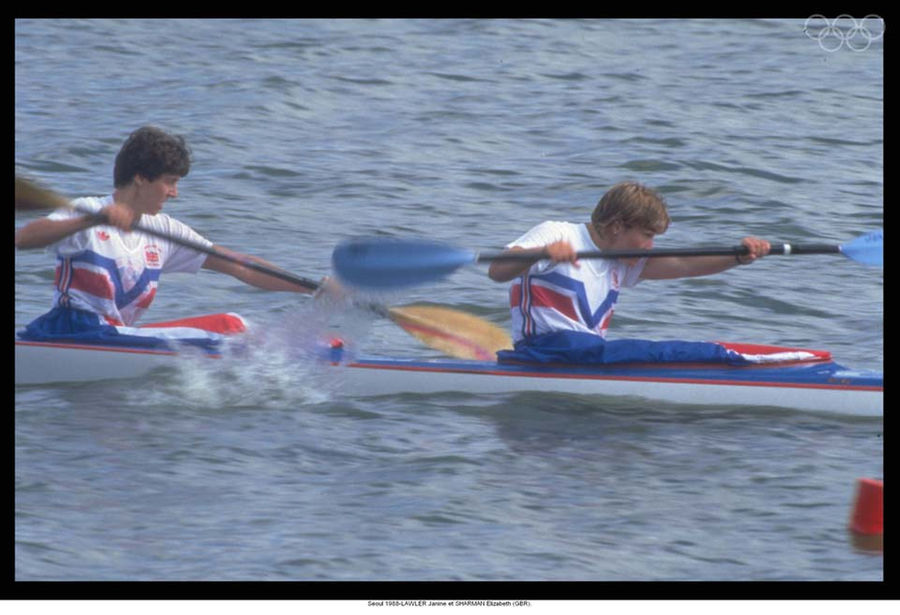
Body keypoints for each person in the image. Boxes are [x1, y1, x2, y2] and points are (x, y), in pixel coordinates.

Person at [16, 126, 315, 350]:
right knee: (231, 326)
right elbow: (24, 238)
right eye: (169, 182)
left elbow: (241, 265)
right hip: (72, 333)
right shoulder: (90, 210)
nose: (175, 193)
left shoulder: (164, 231)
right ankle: (293, 357)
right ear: (140, 178)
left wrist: (312, 289)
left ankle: (298, 350)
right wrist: (90, 221)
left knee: (236, 328)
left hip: (114, 337)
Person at [488, 181, 772, 364]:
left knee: (666, 353)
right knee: (659, 354)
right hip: (544, 352)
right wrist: (541, 252)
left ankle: (725, 359)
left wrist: (738, 257)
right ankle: (728, 360)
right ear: (616, 227)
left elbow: (685, 264)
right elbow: (498, 270)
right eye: (647, 235)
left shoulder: (622, 260)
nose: (651, 246)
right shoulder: (557, 233)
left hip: (584, 355)